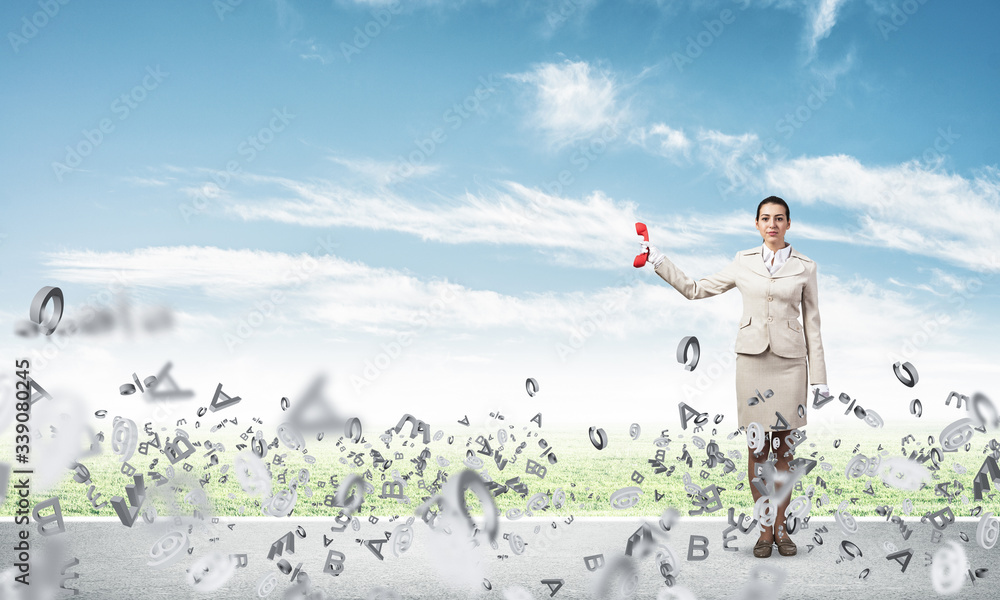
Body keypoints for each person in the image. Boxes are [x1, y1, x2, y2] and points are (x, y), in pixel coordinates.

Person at [639, 196, 829, 558]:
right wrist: (658, 259)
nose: (772, 224)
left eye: (779, 219)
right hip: (753, 362)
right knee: (758, 449)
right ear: (756, 224)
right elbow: (696, 290)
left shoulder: (807, 267)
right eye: (765, 218)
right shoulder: (742, 262)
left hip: (791, 364)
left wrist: (819, 378)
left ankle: (781, 528)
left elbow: (814, 323)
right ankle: (763, 530)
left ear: (789, 224)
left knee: (785, 451)